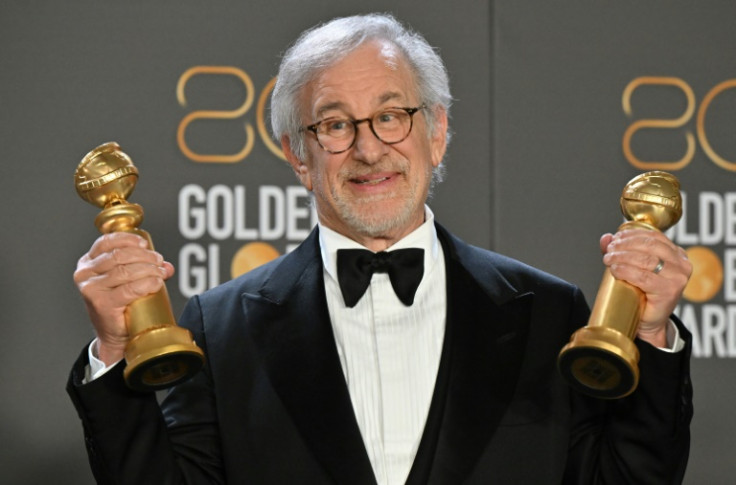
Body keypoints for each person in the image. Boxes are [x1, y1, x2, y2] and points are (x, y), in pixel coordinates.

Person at [68, 13, 693, 484]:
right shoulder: (216, 327)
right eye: (335, 124)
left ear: (438, 132)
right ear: (298, 154)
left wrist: (654, 336)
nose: (369, 149)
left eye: (391, 115)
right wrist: (119, 350)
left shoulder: (550, 313)